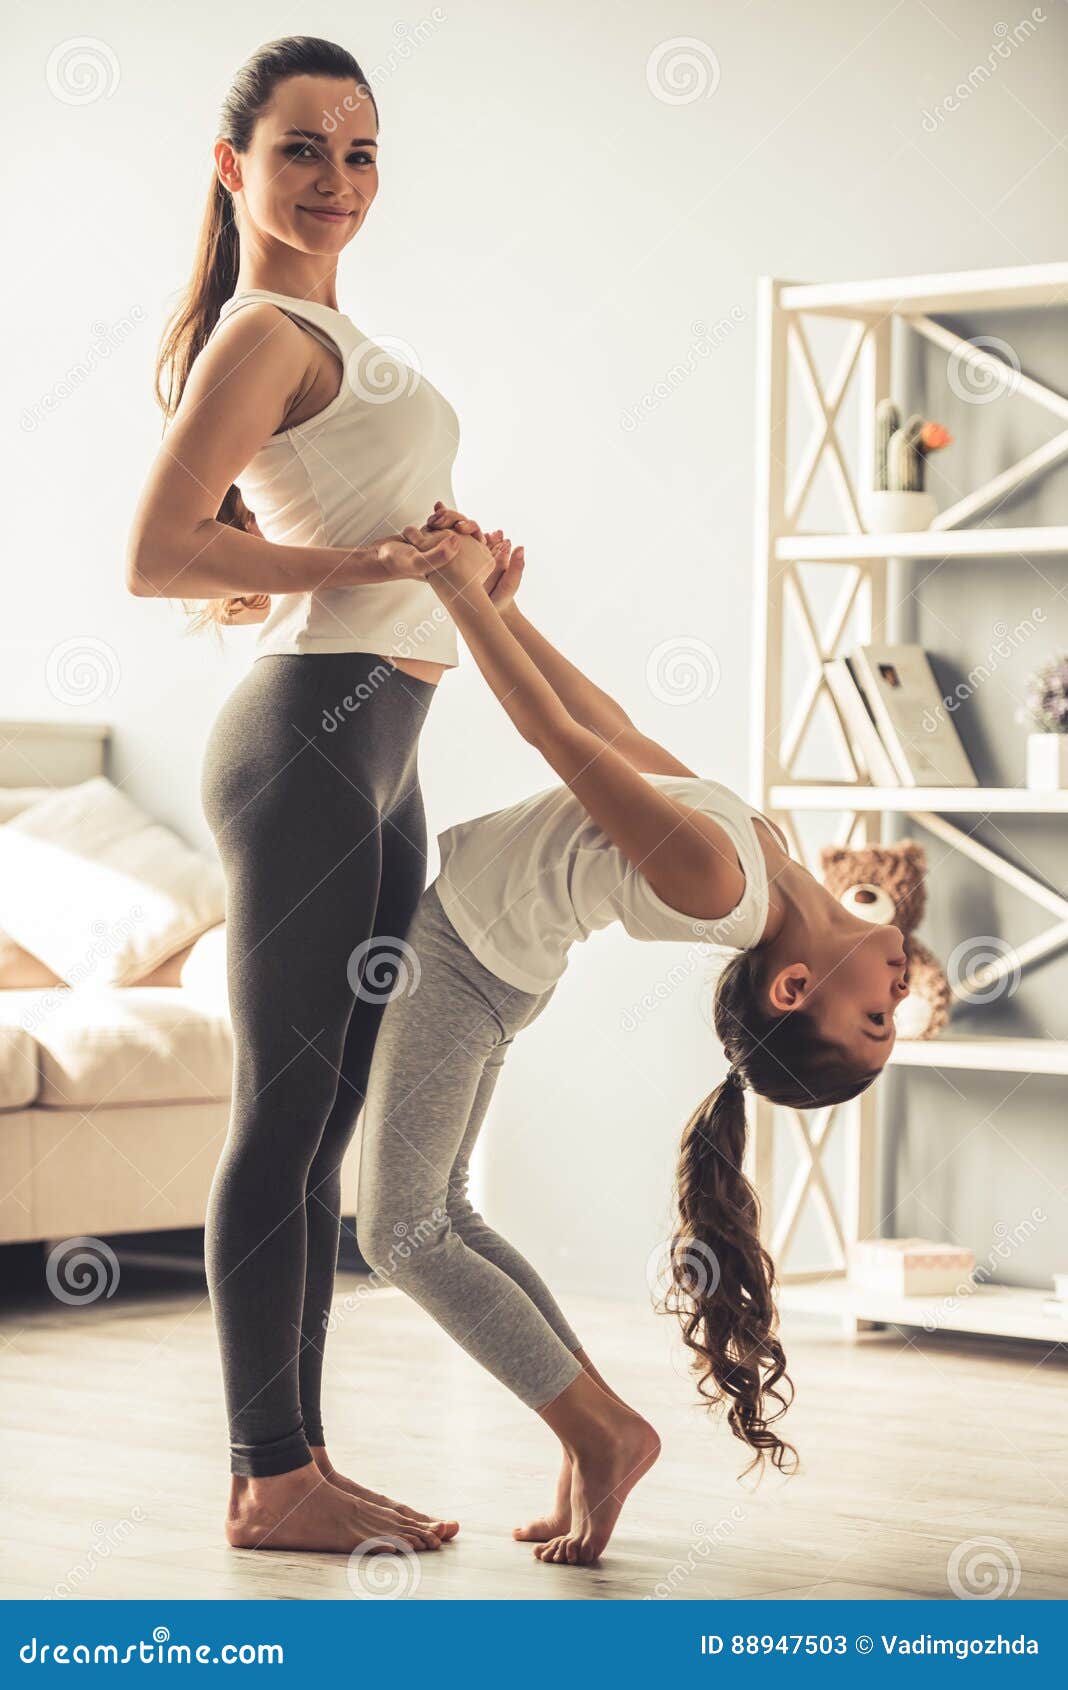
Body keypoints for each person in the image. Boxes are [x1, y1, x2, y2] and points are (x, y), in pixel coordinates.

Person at [355, 503, 911, 1567]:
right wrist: (508, 616)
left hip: (467, 958)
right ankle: (586, 1430)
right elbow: (604, 723)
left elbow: (559, 745)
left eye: (873, 1020)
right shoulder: (765, 851)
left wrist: (463, 597)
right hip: (493, 964)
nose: (897, 992)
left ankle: (603, 1431)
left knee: (398, 1233)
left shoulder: (724, 880)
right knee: (443, 1214)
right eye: (892, 1018)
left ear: (794, 986)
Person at [125, 36, 503, 1555]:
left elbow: (364, 543)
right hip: (302, 743)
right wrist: (369, 565)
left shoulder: (339, 337)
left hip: (382, 745)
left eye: (358, 153)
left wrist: (454, 574)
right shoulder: (259, 333)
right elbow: (158, 554)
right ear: (237, 167)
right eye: (302, 151)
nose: (337, 180)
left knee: (329, 1116)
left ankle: (298, 1467)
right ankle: (266, 1470)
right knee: (282, 1116)